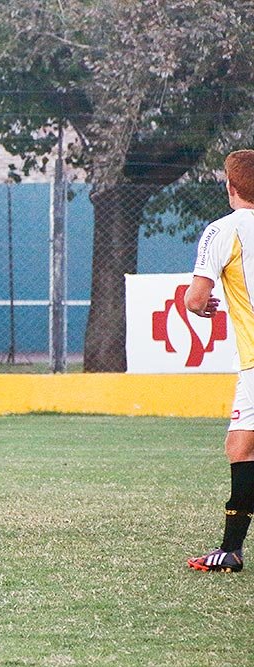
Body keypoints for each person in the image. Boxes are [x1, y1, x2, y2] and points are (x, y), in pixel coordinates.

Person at [184, 149, 254, 573]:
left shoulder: (224, 229)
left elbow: (196, 299)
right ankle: (230, 549)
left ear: (230, 186)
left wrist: (197, 304)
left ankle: (230, 549)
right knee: (241, 444)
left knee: (241, 446)